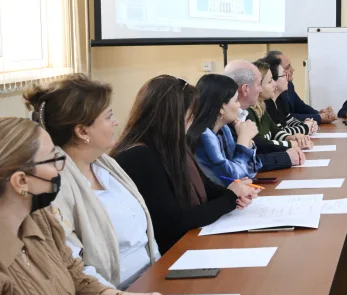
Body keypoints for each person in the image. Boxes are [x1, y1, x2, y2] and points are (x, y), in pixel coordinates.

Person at [0, 117, 169, 295]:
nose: (60, 170)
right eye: (53, 161)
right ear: (21, 181)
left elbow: (76, 281)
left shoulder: (40, 219)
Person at [24, 76, 160, 289]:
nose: (116, 122)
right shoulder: (56, 185)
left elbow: (143, 239)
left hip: (151, 279)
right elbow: (75, 265)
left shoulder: (105, 165)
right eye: (109, 116)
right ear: (82, 131)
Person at [111, 75, 259, 253]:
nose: (193, 122)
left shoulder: (171, 145)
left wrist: (235, 192)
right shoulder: (139, 156)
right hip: (168, 253)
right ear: (171, 119)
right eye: (190, 117)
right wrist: (228, 198)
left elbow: (205, 186)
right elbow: (172, 221)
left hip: (188, 242)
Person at [224, 60, 302, 170]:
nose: (260, 89)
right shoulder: (229, 122)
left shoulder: (244, 113)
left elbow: (259, 147)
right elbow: (241, 166)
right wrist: (286, 154)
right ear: (245, 89)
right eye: (259, 84)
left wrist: (287, 147)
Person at [189, 73, 262, 186]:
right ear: (222, 108)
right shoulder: (203, 136)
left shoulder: (224, 130)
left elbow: (251, 170)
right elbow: (230, 178)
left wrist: (247, 143)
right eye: (236, 100)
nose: (239, 106)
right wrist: (243, 139)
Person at [248, 60, 311, 150]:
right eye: (270, 81)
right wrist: (292, 144)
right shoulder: (249, 111)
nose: (274, 84)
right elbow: (261, 143)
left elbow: (276, 132)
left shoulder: (261, 106)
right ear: (258, 86)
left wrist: (292, 138)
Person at [265, 50, 337, 124]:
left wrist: (319, 113)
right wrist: (319, 117)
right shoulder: (272, 93)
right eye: (287, 68)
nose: (292, 69)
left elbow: (301, 107)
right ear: (274, 73)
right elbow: (286, 117)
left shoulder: (289, 85)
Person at [262, 54, 317, 136]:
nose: (287, 78)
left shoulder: (280, 98)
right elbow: (278, 132)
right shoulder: (267, 103)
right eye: (284, 75)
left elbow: (290, 121)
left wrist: (308, 123)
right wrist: (306, 128)